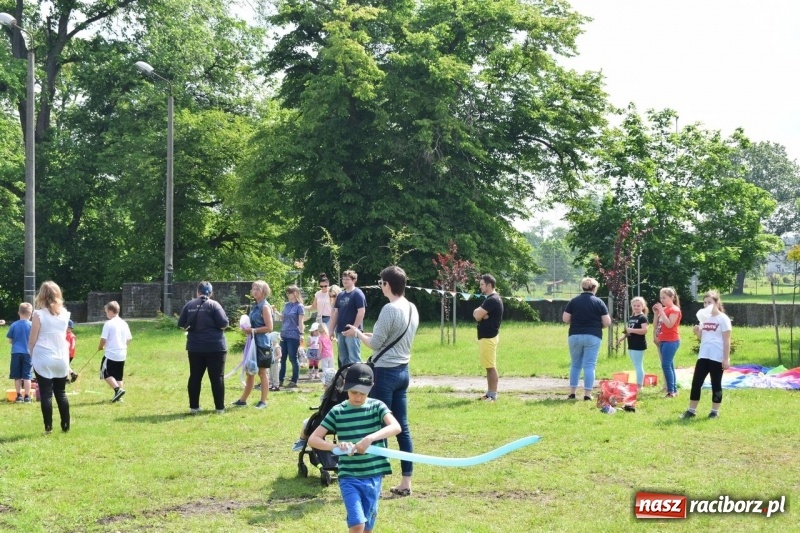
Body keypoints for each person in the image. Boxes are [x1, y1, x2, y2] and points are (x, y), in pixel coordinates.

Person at [343, 265, 419, 496]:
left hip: (385, 373)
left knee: (378, 427)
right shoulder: (411, 307)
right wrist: (363, 333)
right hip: (403, 372)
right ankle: (406, 481)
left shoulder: (389, 309)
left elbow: (376, 344)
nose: (380, 286)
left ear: (387, 284)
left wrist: (357, 333)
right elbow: (387, 339)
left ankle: (374, 478)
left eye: (381, 283)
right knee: (401, 427)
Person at [308, 363, 401, 533]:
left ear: (371, 387)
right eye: (353, 392)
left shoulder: (377, 406)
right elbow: (313, 439)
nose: (357, 397)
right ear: (345, 386)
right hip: (349, 476)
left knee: (367, 527)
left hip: (373, 475)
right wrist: (335, 447)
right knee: (358, 523)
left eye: (362, 393)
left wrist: (370, 438)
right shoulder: (338, 411)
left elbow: (396, 427)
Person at [177, 281, 230, 414]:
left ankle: (194, 407)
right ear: (211, 293)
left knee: (195, 376)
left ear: (197, 292)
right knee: (217, 377)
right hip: (216, 346)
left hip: (195, 347)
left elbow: (181, 324)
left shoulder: (189, 305)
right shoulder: (215, 305)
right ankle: (219, 408)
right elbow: (224, 323)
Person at [28, 281, 71, 434]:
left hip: (43, 356)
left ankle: (48, 427)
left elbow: (32, 339)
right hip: (61, 356)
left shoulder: (38, 314)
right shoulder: (65, 313)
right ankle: (65, 425)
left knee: (46, 394)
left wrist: (31, 354)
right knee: (61, 392)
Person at [681, 290, 732, 419]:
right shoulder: (704, 318)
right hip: (703, 355)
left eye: (709, 302)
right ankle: (691, 410)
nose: (707, 305)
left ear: (716, 303)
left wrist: (726, 358)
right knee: (696, 383)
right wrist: (697, 332)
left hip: (717, 356)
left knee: (716, 384)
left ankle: (714, 412)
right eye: (705, 302)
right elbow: (703, 338)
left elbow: (727, 340)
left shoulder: (723, 319)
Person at [562, 277, 612, 401]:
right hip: (593, 335)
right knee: (589, 365)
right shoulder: (599, 302)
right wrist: (599, 326)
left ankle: (572, 393)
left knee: (575, 364)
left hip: (575, 335)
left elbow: (565, 319)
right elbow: (607, 322)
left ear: (582, 287)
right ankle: (587, 394)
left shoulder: (573, 301)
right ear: (594, 288)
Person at [232, 280, 274, 408]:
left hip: (262, 344)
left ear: (264, 291)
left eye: (257, 289)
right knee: (250, 371)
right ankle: (243, 400)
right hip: (253, 343)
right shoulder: (255, 305)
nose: (254, 291)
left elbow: (269, 327)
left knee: (262, 372)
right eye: (253, 289)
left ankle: (263, 401)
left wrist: (253, 330)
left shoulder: (265, 307)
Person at [473, 274, 504, 402]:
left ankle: (493, 395)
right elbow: (477, 314)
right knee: (488, 366)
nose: (480, 287)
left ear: (489, 285)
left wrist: (480, 314)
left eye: (482, 284)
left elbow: (477, 315)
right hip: (487, 337)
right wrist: (480, 314)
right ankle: (489, 393)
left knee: (491, 367)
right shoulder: (491, 299)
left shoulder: (492, 300)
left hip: (488, 337)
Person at [329, 271, 366, 367]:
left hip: (353, 332)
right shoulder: (340, 295)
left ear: (354, 280)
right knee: (343, 358)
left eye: (347, 279)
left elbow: (361, 312)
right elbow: (335, 313)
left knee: (354, 358)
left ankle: (356, 376)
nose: (345, 281)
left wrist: (354, 329)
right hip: (341, 331)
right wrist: (331, 330)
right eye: (343, 279)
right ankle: (345, 376)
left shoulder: (358, 293)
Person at [98, 301, 133, 403]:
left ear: (110, 311)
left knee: (105, 373)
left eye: (106, 312)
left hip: (111, 354)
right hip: (122, 354)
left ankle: (118, 390)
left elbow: (103, 339)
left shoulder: (108, 324)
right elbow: (129, 339)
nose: (106, 314)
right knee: (118, 376)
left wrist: (100, 347)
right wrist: (123, 346)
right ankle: (119, 398)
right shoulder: (124, 323)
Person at [652, 287, 682, 398]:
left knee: (665, 365)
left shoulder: (675, 310)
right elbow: (656, 325)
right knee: (669, 365)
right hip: (663, 341)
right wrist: (656, 314)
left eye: (664, 298)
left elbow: (669, 324)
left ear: (672, 297)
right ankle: (673, 390)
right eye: (661, 298)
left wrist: (661, 311)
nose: (662, 300)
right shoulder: (663, 310)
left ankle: (671, 392)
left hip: (671, 341)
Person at [616, 296, 649, 387]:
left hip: (639, 344)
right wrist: (621, 338)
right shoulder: (631, 317)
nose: (636, 307)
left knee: (638, 365)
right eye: (634, 305)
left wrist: (632, 330)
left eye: (638, 305)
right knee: (636, 364)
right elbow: (628, 330)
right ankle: (639, 383)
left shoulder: (643, 317)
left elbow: (644, 330)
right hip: (631, 344)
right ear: (632, 306)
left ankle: (639, 386)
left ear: (642, 306)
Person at [279, 285, 305, 389]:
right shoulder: (286, 305)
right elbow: (283, 318)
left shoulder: (299, 306)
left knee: (293, 358)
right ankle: (280, 379)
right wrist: (275, 312)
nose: (288, 295)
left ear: (295, 293)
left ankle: (294, 380)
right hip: (283, 334)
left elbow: (301, 322)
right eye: (287, 293)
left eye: (289, 292)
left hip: (293, 334)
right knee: (282, 357)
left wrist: (301, 334)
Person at [7, 302, 33, 403]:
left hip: (16, 353)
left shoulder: (14, 325)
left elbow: (10, 340)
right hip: (28, 353)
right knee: (27, 375)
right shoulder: (31, 325)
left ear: (19, 313)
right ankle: (27, 396)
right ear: (30, 314)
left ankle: (18, 395)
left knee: (17, 375)